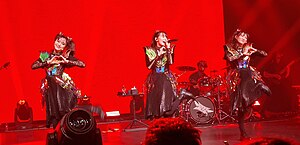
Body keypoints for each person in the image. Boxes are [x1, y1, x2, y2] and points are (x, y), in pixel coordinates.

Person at [223, 29, 271, 140]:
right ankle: (243, 133)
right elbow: (230, 58)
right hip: (237, 75)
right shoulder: (229, 47)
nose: (244, 39)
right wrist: (243, 53)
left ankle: (259, 86)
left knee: (245, 99)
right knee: (242, 108)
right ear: (236, 37)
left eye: (246, 37)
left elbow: (265, 54)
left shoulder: (248, 48)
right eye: (242, 36)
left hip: (247, 74)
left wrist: (255, 50)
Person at [32, 32, 85, 129]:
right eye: (58, 41)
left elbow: (82, 64)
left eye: (63, 43)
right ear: (54, 41)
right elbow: (33, 66)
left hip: (60, 88)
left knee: (63, 110)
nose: (59, 44)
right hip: (50, 88)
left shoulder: (64, 57)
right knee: (53, 113)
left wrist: (67, 61)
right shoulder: (45, 55)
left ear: (65, 46)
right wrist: (48, 62)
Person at [144, 30, 177, 119]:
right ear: (156, 39)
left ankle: (167, 113)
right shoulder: (149, 50)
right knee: (157, 98)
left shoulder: (170, 48)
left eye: (166, 37)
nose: (165, 38)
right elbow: (149, 66)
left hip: (166, 76)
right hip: (155, 77)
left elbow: (170, 62)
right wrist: (158, 55)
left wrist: (168, 50)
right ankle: (157, 116)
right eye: (162, 36)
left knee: (166, 86)